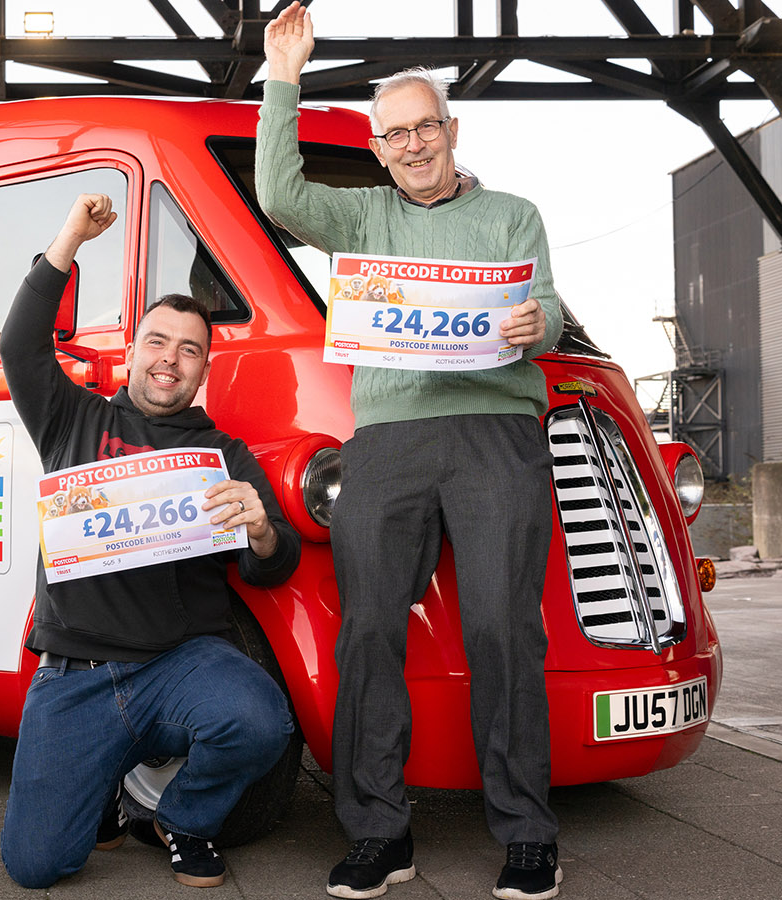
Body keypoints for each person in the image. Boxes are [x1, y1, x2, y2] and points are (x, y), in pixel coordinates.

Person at [257, 6, 565, 900]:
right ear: (380, 149)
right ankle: (379, 832)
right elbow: (279, 196)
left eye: (427, 125)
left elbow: (546, 303)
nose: (415, 144)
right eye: (396, 134)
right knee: (368, 633)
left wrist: (533, 323)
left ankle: (527, 833)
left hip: (494, 433)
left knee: (505, 629)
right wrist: (285, 75)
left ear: (452, 130)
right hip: (388, 441)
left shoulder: (514, 215)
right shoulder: (358, 219)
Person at [0, 193, 301, 890]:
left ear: (204, 369)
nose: (171, 360)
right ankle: (100, 788)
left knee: (260, 719)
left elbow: (273, 566)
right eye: (158, 343)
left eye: (190, 350)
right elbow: (19, 344)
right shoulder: (71, 417)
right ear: (132, 353)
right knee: (36, 866)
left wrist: (259, 528)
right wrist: (70, 235)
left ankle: (183, 821)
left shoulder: (225, 453)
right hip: (77, 674)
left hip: (181, 667)